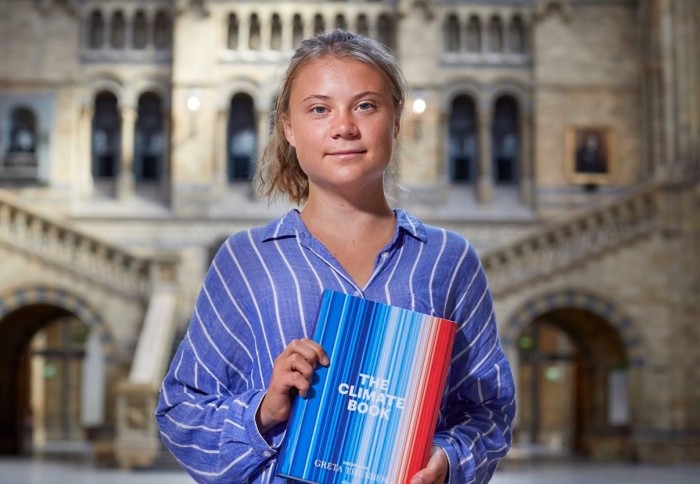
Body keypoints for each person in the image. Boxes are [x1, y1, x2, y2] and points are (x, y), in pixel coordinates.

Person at [156, 29, 515, 484]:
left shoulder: (449, 260)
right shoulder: (246, 261)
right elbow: (180, 410)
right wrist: (263, 411)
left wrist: (446, 461)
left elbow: (489, 409)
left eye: (365, 105)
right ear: (288, 127)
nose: (344, 127)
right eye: (319, 109)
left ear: (397, 119)